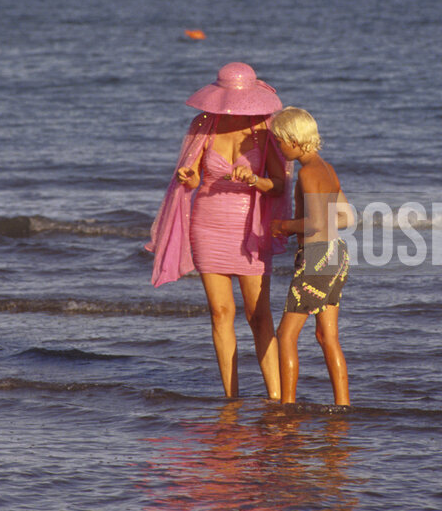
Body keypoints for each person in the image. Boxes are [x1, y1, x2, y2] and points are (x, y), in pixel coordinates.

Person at [147, 63, 291, 398]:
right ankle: (231, 397)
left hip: (251, 229)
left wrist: (254, 179)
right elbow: (196, 177)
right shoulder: (204, 125)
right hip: (207, 225)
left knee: (259, 315)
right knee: (220, 313)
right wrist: (188, 178)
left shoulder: (264, 129)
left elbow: (280, 185)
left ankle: (275, 398)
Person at [269, 107, 354, 407]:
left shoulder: (307, 173)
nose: (279, 149)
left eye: (280, 142)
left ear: (294, 140)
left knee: (285, 334)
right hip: (337, 254)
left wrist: (283, 226)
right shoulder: (327, 169)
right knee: (326, 336)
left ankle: (287, 408)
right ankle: (342, 405)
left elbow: (316, 222)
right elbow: (346, 217)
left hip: (317, 257)